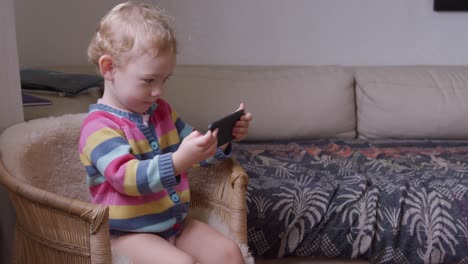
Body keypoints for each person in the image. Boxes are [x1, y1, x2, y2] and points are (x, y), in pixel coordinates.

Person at [78, 2, 253, 263]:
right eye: (149, 80)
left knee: (229, 253)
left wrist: (222, 140)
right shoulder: (98, 126)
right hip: (127, 233)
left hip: (173, 223)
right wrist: (179, 160)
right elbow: (127, 178)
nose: (159, 91)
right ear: (109, 68)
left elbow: (196, 151)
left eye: (165, 79)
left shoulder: (162, 112)